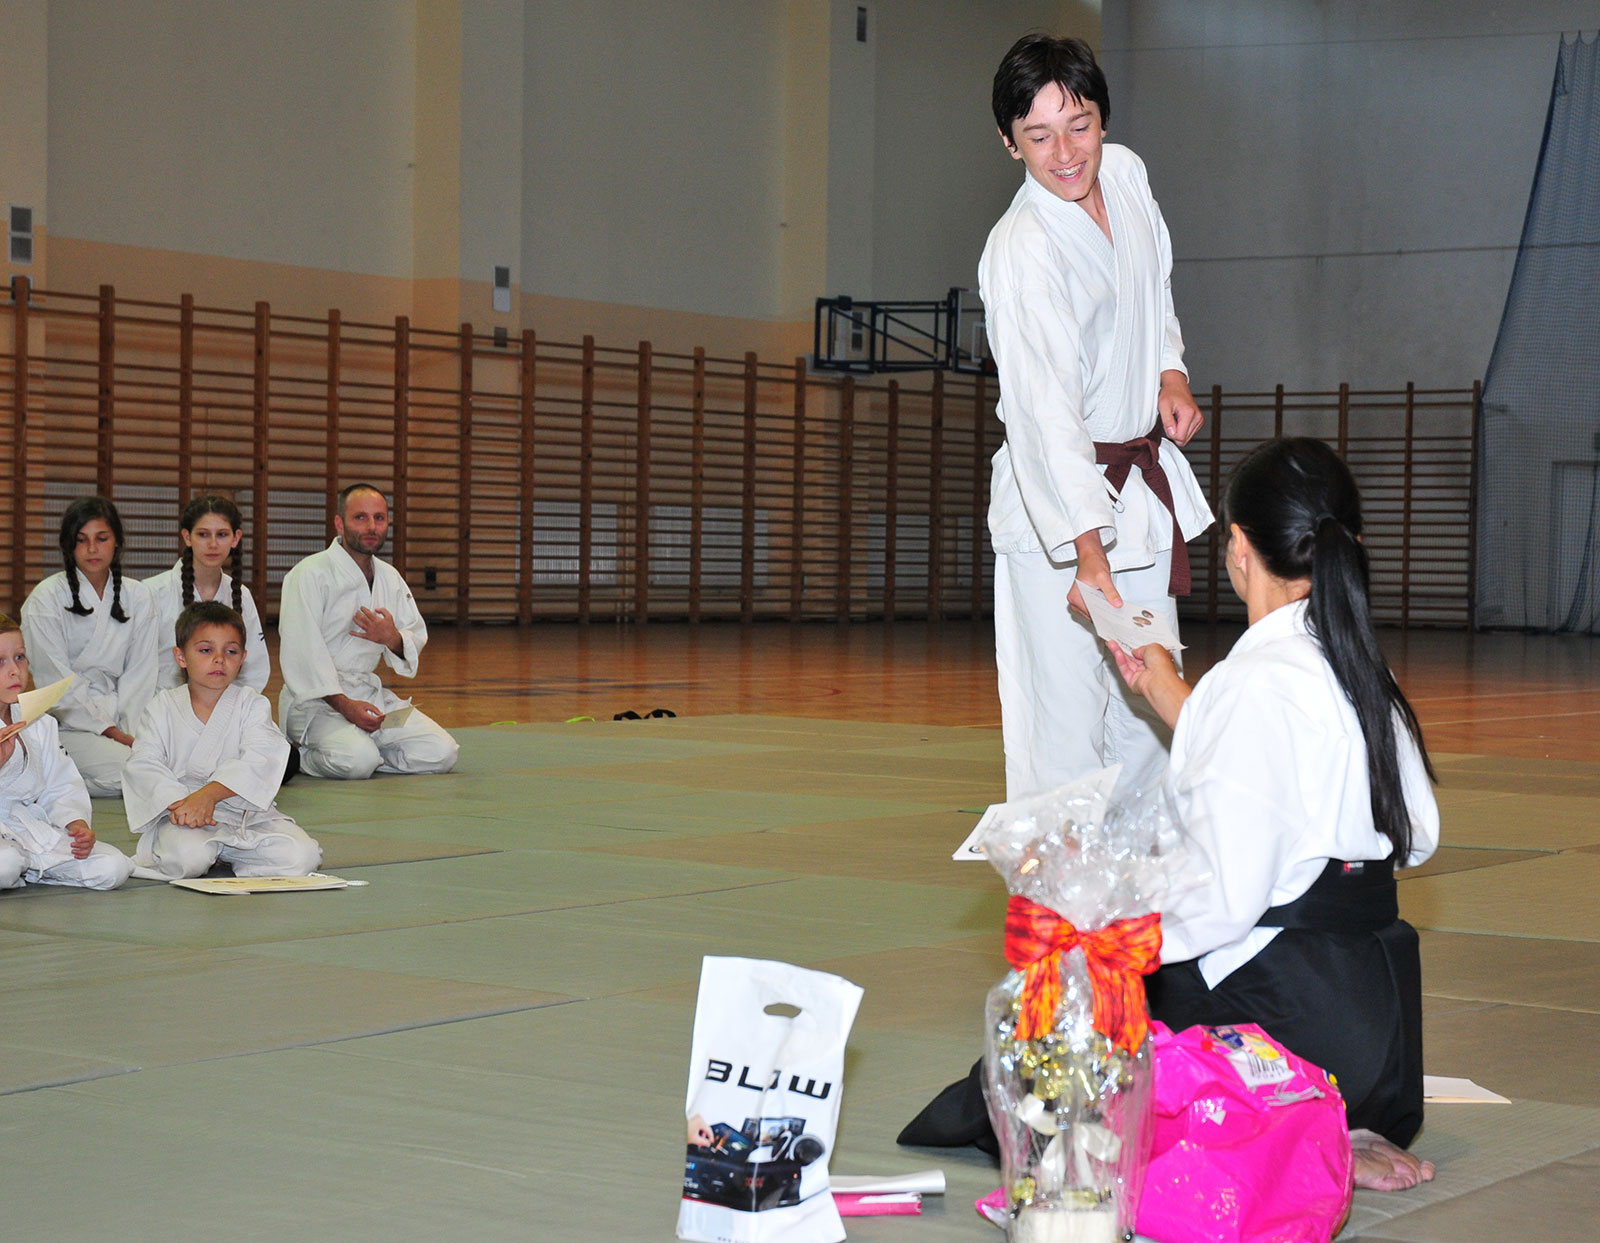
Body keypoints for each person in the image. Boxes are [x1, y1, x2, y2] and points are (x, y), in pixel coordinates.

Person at [1110, 437, 1439, 1191]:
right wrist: (1162, 688)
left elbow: (1219, 903)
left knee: (1055, 1055)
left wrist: (1112, 938)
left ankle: (1292, 1126)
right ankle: (1333, 1124)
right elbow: (1416, 836)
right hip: (1379, 1037)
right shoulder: (1365, 671)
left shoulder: (1252, 682)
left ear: (1239, 547)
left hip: (1282, 1030)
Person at [982, 34, 1212, 801]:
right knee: (1063, 733)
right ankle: (1054, 883)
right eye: (1039, 136)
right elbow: (1044, 416)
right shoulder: (1023, 249)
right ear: (1010, 143)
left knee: (1149, 718)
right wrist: (1088, 552)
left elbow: (1154, 284)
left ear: (1103, 119)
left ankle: (1137, 879)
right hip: (1058, 520)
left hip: (1137, 501)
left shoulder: (1128, 174)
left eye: (1078, 126)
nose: (1065, 153)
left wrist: (1168, 370)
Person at [122, 601, 321, 879]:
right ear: (181, 656)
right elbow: (144, 764)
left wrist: (209, 796)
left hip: (245, 816)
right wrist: (184, 805)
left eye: (231, 651)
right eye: (206, 650)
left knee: (303, 856)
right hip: (184, 816)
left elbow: (262, 758)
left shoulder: (252, 704)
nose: (219, 659)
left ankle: (225, 855)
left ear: (243, 658)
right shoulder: (161, 707)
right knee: (188, 859)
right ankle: (214, 855)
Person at [276, 483, 458, 780]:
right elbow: (302, 653)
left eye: (379, 518)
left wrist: (392, 638)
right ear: (339, 523)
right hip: (315, 703)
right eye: (360, 517)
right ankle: (300, 757)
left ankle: (368, 752)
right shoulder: (308, 574)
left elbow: (413, 633)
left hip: (367, 695)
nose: (371, 526)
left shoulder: (390, 577)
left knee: (442, 752)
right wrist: (346, 706)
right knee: (357, 762)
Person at [20, 496, 158, 797]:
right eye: (81, 540)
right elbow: (56, 684)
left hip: (122, 721)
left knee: (155, 765)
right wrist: (111, 731)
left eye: (102, 538)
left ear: (117, 542)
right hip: (65, 724)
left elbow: (141, 676)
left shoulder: (138, 597)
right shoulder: (46, 600)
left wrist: (137, 736)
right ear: (69, 546)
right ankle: (44, 777)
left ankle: (55, 776)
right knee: (132, 773)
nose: (92, 549)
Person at [0, 613, 134, 891]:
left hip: (29, 829)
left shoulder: (39, 721)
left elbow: (61, 785)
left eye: (19, 657)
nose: (14, 671)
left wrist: (76, 824)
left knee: (114, 867)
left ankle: (31, 868)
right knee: (6, 863)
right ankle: (21, 866)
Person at [144, 494, 269, 693]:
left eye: (222, 534)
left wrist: (232, 706)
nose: (213, 544)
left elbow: (254, 669)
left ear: (235, 538)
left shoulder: (242, 595)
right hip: (163, 703)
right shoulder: (152, 593)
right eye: (203, 534)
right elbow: (138, 668)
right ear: (187, 537)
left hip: (226, 704)